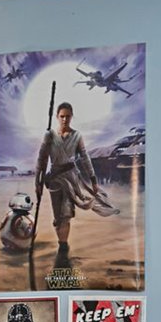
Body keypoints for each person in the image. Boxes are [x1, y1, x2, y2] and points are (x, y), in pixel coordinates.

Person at [32, 101, 103, 266]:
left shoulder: (77, 136)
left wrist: (93, 179)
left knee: (66, 215)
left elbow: (85, 158)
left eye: (68, 116)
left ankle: (63, 248)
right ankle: (62, 243)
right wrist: (37, 182)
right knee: (58, 217)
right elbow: (42, 159)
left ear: (72, 117)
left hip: (71, 179)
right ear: (57, 117)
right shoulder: (49, 135)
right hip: (54, 179)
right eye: (62, 116)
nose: (65, 119)